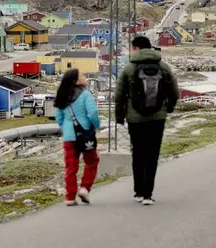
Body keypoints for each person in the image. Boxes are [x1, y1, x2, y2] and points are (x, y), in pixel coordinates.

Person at [116, 36, 179, 206]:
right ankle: (148, 195)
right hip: (157, 117)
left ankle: (138, 191)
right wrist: (169, 107)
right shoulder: (163, 66)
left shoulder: (129, 68)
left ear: (136, 48)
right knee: (152, 154)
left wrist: (119, 116)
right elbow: (174, 91)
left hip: (135, 118)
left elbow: (119, 95)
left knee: (138, 152)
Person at [55, 69, 101, 206]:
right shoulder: (85, 95)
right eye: (81, 75)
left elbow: (59, 118)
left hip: (69, 137)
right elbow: (92, 113)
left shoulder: (61, 95)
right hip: (85, 134)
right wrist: (96, 126)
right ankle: (85, 188)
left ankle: (70, 196)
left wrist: (67, 129)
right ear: (76, 81)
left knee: (71, 167)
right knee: (92, 161)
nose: (84, 76)